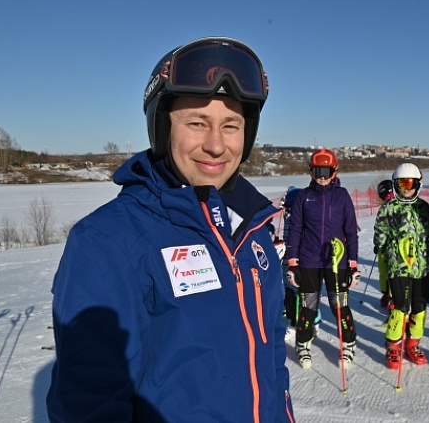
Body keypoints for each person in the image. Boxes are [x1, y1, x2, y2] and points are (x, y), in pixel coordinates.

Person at [46, 37, 295, 423]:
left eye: (231, 125)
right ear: (162, 127)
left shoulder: (253, 229)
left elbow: (272, 353)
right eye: (196, 123)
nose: (215, 145)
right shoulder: (107, 242)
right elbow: (90, 402)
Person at [285, 149, 360, 369]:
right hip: (309, 260)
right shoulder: (304, 197)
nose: (322, 176)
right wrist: (292, 262)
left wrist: (353, 264)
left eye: (326, 171)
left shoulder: (342, 195)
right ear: (311, 171)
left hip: (336, 261)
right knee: (309, 306)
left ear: (334, 170)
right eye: (318, 171)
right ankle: (303, 343)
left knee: (340, 306)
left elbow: (351, 231)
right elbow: (295, 230)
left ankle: (348, 344)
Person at [373, 163, 429, 369]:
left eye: (410, 184)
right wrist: (384, 246)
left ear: (418, 184)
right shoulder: (388, 208)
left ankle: (413, 343)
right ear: (395, 185)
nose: (406, 188)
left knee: (419, 306)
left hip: (422, 266)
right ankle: (393, 345)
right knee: (400, 307)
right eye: (402, 184)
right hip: (399, 266)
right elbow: (380, 234)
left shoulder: (423, 207)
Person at [280, 186, 321, 340]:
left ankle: (301, 323)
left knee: (301, 294)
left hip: (301, 263)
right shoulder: (289, 219)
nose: (286, 212)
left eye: (289, 209)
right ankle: (304, 319)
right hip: (287, 262)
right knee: (291, 293)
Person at [375, 179, 396, 311]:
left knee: (393, 273)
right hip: (384, 247)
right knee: (384, 272)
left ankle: (394, 298)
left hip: (395, 248)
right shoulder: (384, 208)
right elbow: (379, 229)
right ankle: (387, 294)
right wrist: (378, 243)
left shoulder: (397, 206)